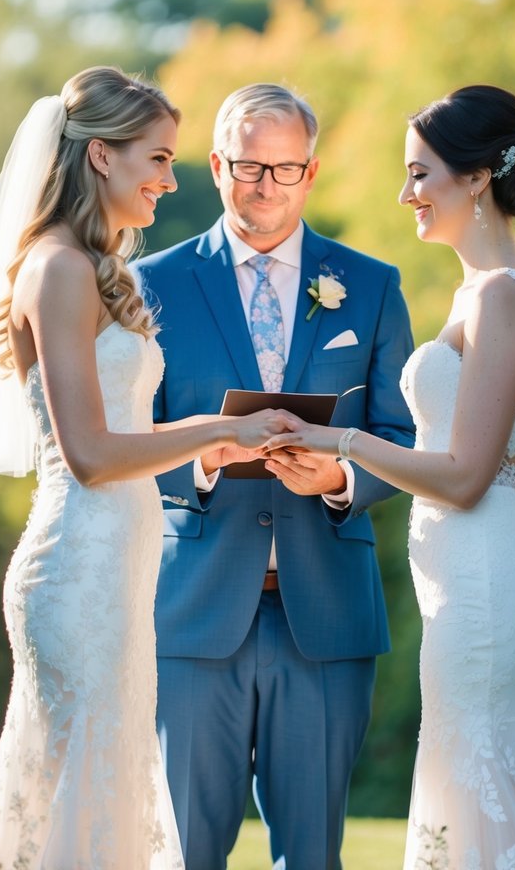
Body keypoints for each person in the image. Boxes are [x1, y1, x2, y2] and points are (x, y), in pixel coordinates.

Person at [264, 84, 515, 869]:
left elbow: (464, 477)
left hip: (490, 588)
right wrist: (333, 461)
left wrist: (344, 438)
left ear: (473, 178)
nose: (406, 195)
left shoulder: (502, 298)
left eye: (419, 174)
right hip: (472, 583)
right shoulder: (487, 290)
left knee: (484, 796)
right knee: (487, 801)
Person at [0, 67, 290, 870]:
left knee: (107, 790)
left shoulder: (89, 267)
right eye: (156, 158)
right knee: (76, 788)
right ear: (101, 157)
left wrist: (221, 445)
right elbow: (89, 455)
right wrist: (216, 423)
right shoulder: (58, 268)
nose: (168, 180)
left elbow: (127, 434)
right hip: (77, 568)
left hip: (119, 565)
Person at [133, 83, 414, 870]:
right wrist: (204, 458)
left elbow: (403, 436)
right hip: (191, 609)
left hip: (323, 613)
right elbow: (116, 441)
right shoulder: (151, 281)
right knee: (185, 850)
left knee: (315, 855)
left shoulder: (370, 283)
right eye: (249, 166)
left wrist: (338, 479)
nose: (266, 186)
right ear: (216, 165)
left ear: (312, 171)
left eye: (285, 169)